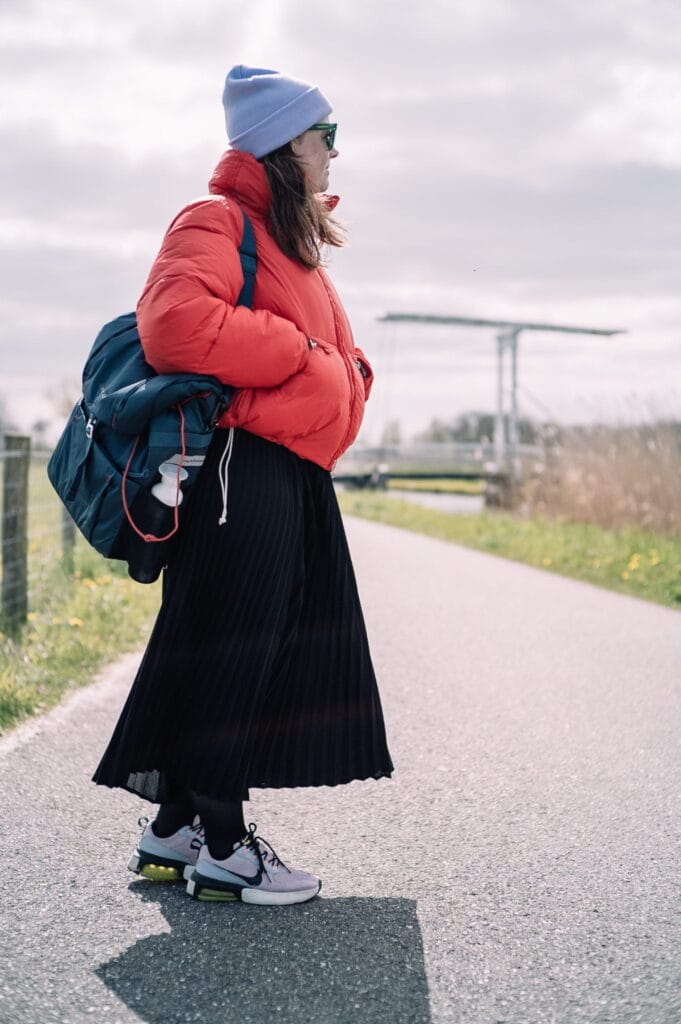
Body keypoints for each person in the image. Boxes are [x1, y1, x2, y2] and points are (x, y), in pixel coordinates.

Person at [93, 66, 393, 906]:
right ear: (281, 145)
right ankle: (223, 846)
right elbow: (176, 325)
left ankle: (173, 827)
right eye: (323, 135)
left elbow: (331, 347)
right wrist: (307, 362)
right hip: (241, 466)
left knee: (266, 642)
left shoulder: (289, 238)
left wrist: (348, 372)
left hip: (292, 469)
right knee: (239, 644)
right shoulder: (215, 219)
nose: (335, 151)